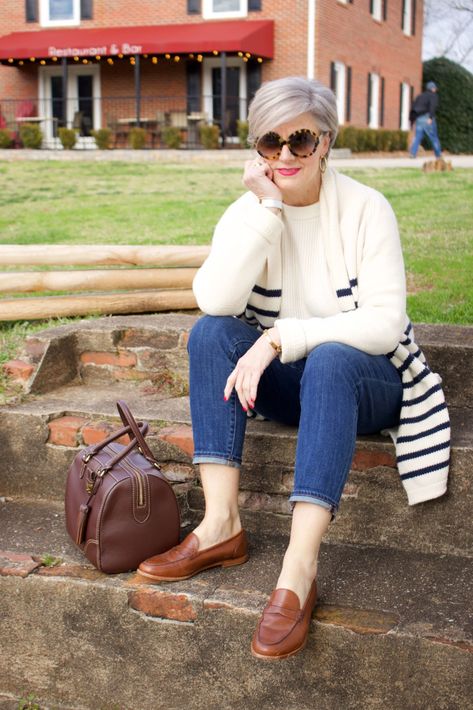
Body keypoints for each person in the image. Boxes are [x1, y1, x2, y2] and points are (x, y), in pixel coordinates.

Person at [138, 77, 450, 660]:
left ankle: (298, 567)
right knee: (211, 334)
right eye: (269, 142)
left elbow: (384, 324)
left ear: (325, 142)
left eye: (300, 140)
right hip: (295, 387)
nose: (284, 155)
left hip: (365, 383)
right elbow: (216, 300)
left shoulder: (366, 208)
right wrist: (266, 212)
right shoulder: (251, 210)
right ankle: (221, 525)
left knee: (331, 359)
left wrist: (282, 338)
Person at [409, 81, 442, 159]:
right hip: (427, 118)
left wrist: (412, 120)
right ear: (432, 88)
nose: (435, 90)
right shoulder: (433, 96)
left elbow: (413, 107)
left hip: (419, 119)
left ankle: (413, 154)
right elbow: (432, 107)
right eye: (434, 88)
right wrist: (430, 118)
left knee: (417, 137)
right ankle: (438, 155)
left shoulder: (419, 96)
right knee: (434, 137)